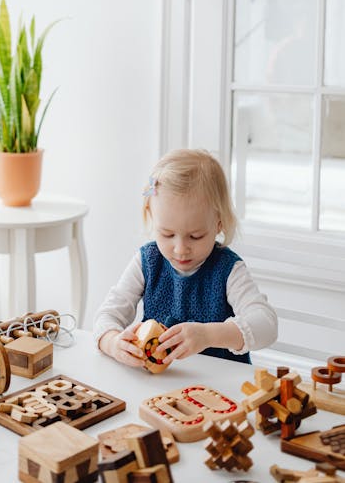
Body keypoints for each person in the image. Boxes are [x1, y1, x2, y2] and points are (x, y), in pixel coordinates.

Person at [94, 149, 277, 367]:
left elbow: (267, 325)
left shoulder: (228, 269)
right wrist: (112, 342)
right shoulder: (147, 261)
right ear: (151, 216)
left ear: (218, 223)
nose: (180, 249)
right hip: (159, 387)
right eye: (167, 234)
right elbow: (107, 315)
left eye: (195, 236)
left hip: (218, 387)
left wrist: (209, 335)